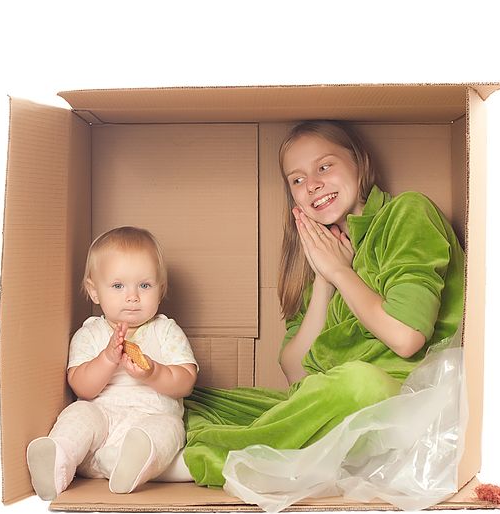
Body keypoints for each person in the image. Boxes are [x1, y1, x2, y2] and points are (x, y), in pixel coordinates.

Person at [183, 120, 465, 487]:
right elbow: (297, 374)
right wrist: (324, 279)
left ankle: (198, 461)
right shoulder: (321, 256)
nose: (312, 184)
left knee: (357, 382)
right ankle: (175, 442)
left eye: (324, 166)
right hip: (326, 402)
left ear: (359, 162)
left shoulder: (407, 213)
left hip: (398, 404)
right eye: (297, 180)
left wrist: (341, 272)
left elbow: (406, 336)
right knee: (189, 396)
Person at [27, 226, 198, 499]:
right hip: (102, 420)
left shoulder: (166, 331)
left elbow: (186, 382)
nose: (133, 296)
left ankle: (131, 462)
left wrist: (153, 373)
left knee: (169, 429)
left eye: (145, 285)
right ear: (94, 292)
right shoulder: (91, 333)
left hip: (151, 415)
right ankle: (58, 458)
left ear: (161, 289)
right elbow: (82, 388)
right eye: (118, 286)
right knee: (79, 415)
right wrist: (107, 359)